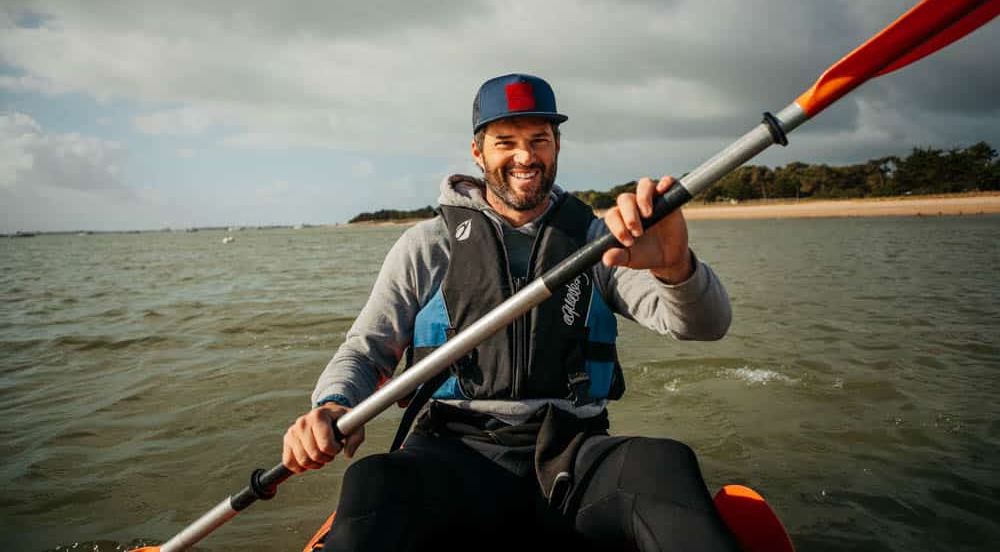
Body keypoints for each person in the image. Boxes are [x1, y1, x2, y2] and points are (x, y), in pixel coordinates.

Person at [284, 73, 741, 551]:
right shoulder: (427, 245)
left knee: (665, 462)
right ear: (478, 152)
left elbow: (706, 326)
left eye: (538, 140)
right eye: (507, 142)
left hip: (572, 452)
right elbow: (367, 349)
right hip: (452, 452)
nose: (525, 156)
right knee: (373, 478)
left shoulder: (598, 241)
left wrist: (675, 267)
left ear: (557, 146)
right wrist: (333, 404)